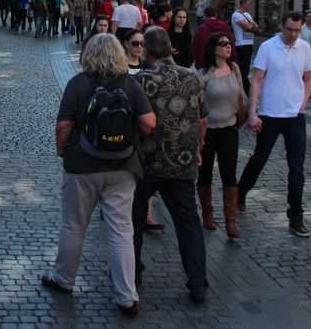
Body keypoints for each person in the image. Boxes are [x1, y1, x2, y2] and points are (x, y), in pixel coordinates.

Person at [42, 34, 156, 317]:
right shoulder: (129, 84)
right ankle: (127, 296)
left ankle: (64, 279)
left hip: (83, 165)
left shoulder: (78, 84)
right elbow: (149, 123)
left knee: (74, 225)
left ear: (88, 55)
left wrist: (62, 152)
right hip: (122, 166)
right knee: (122, 231)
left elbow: (63, 126)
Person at [133, 27, 208, 303]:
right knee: (189, 224)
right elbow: (202, 120)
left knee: (134, 221)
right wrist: (197, 148)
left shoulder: (140, 80)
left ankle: (132, 275)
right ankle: (197, 282)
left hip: (147, 163)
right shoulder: (192, 78)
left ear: (146, 50)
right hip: (182, 163)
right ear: (170, 48)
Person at [237, 12, 311, 237]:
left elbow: (310, 77)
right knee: (260, 158)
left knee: (297, 167)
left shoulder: (304, 48)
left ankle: (296, 217)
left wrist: (303, 102)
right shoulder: (268, 47)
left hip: (295, 116)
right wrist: (253, 112)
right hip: (270, 114)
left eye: (297, 30)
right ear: (281, 26)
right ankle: (241, 192)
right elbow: (257, 79)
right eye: (290, 29)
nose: (293, 34)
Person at [196, 35, 245, 238]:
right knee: (205, 172)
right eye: (223, 44)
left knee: (229, 174)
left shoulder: (235, 69)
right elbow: (197, 103)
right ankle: (207, 214)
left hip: (229, 128)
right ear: (213, 48)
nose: (228, 47)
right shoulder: (203, 74)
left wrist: (250, 114)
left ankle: (230, 221)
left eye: (229, 44)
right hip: (208, 130)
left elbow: (242, 96)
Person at [231, 0, 259, 96]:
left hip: (249, 43)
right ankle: (245, 89)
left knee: (246, 68)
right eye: (248, 4)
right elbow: (248, 27)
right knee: (242, 69)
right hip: (241, 44)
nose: (250, 6)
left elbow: (256, 26)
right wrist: (251, 26)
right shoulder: (236, 15)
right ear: (243, 4)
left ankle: (245, 89)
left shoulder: (247, 15)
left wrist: (251, 26)